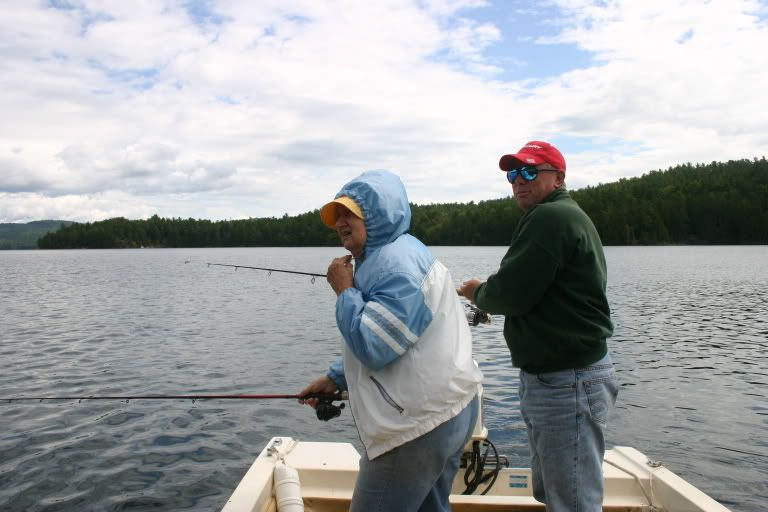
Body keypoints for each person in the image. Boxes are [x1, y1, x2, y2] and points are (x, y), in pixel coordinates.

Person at [300, 169, 483, 512]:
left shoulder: (394, 267)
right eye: (336, 215)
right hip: (449, 409)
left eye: (349, 213)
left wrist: (344, 291)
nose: (339, 222)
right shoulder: (396, 254)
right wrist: (336, 378)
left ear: (377, 213)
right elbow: (401, 338)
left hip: (416, 426)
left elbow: (374, 346)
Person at [457, 141, 618, 512]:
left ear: (558, 177)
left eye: (530, 171)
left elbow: (510, 295)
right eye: (513, 174)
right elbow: (526, 284)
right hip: (560, 378)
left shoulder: (551, 218)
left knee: (572, 502)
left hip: (567, 381)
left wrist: (477, 292)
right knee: (555, 495)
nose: (518, 181)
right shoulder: (559, 216)